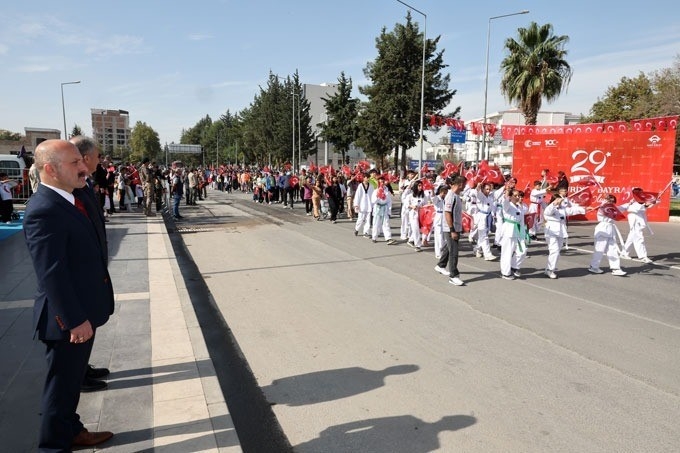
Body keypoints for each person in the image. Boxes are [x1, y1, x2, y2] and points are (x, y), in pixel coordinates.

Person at [23, 139, 114, 449]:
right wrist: (75, 320)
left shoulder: (71, 198)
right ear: (50, 169)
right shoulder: (44, 210)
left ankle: (72, 430)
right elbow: (52, 273)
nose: (84, 167)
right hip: (68, 320)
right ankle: (54, 445)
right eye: (75, 163)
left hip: (83, 310)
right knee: (60, 390)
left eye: (82, 160)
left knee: (71, 385)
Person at [70, 136, 114, 392]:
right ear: (85, 159)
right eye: (97, 156)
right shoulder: (73, 190)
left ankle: (83, 369)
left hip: (92, 273)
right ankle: (80, 375)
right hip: (80, 278)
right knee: (80, 332)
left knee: (90, 328)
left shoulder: (84, 185)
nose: (100, 161)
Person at [542, 193, 585, 279]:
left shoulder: (563, 209)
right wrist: (555, 203)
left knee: (557, 252)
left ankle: (549, 269)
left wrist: (584, 209)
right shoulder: (550, 208)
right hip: (551, 231)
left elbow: (572, 210)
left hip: (561, 231)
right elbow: (549, 211)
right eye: (559, 200)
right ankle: (550, 270)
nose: (561, 202)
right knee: (554, 250)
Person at [434, 176, 466, 286]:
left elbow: (456, 214)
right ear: (460, 184)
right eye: (464, 184)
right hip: (450, 228)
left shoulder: (456, 196)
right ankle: (454, 276)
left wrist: (460, 227)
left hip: (456, 227)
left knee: (450, 248)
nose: (465, 186)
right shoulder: (450, 196)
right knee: (454, 252)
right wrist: (452, 230)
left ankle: (441, 265)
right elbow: (447, 213)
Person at [588, 195, 627, 276]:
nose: (611, 203)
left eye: (613, 201)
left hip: (611, 230)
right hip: (602, 229)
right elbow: (606, 210)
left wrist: (631, 202)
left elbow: (623, 207)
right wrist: (604, 204)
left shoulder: (613, 209)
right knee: (599, 249)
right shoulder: (602, 208)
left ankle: (616, 268)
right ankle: (594, 266)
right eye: (610, 201)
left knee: (613, 250)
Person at [619, 190, 657, 264]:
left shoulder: (642, 201)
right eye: (638, 193)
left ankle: (624, 253)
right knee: (639, 237)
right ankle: (643, 256)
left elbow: (647, 206)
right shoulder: (631, 202)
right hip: (634, 219)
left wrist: (653, 201)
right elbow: (621, 208)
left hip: (640, 219)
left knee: (632, 237)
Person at [498, 188, 528, 280]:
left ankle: (514, 266)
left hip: (519, 230)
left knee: (522, 250)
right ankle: (505, 273)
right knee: (507, 252)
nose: (518, 197)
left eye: (518, 195)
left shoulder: (520, 206)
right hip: (509, 230)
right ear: (510, 197)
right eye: (515, 196)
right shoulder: (508, 205)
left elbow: (525, 213)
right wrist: (507, 194)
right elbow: (505, 202)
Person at [371, 176, 395, 244]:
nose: (382, 183)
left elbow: (389, 201)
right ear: (378, 182)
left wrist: (389, 210)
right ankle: (374, 237)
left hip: (384, 208)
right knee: (376, 223)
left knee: (386, 223)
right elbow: (373, 201)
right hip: (378, 208)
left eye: (383, 181)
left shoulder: (386, 191)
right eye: (380, 181)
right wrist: (378, 196)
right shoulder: (376, 190)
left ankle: (388, 238)